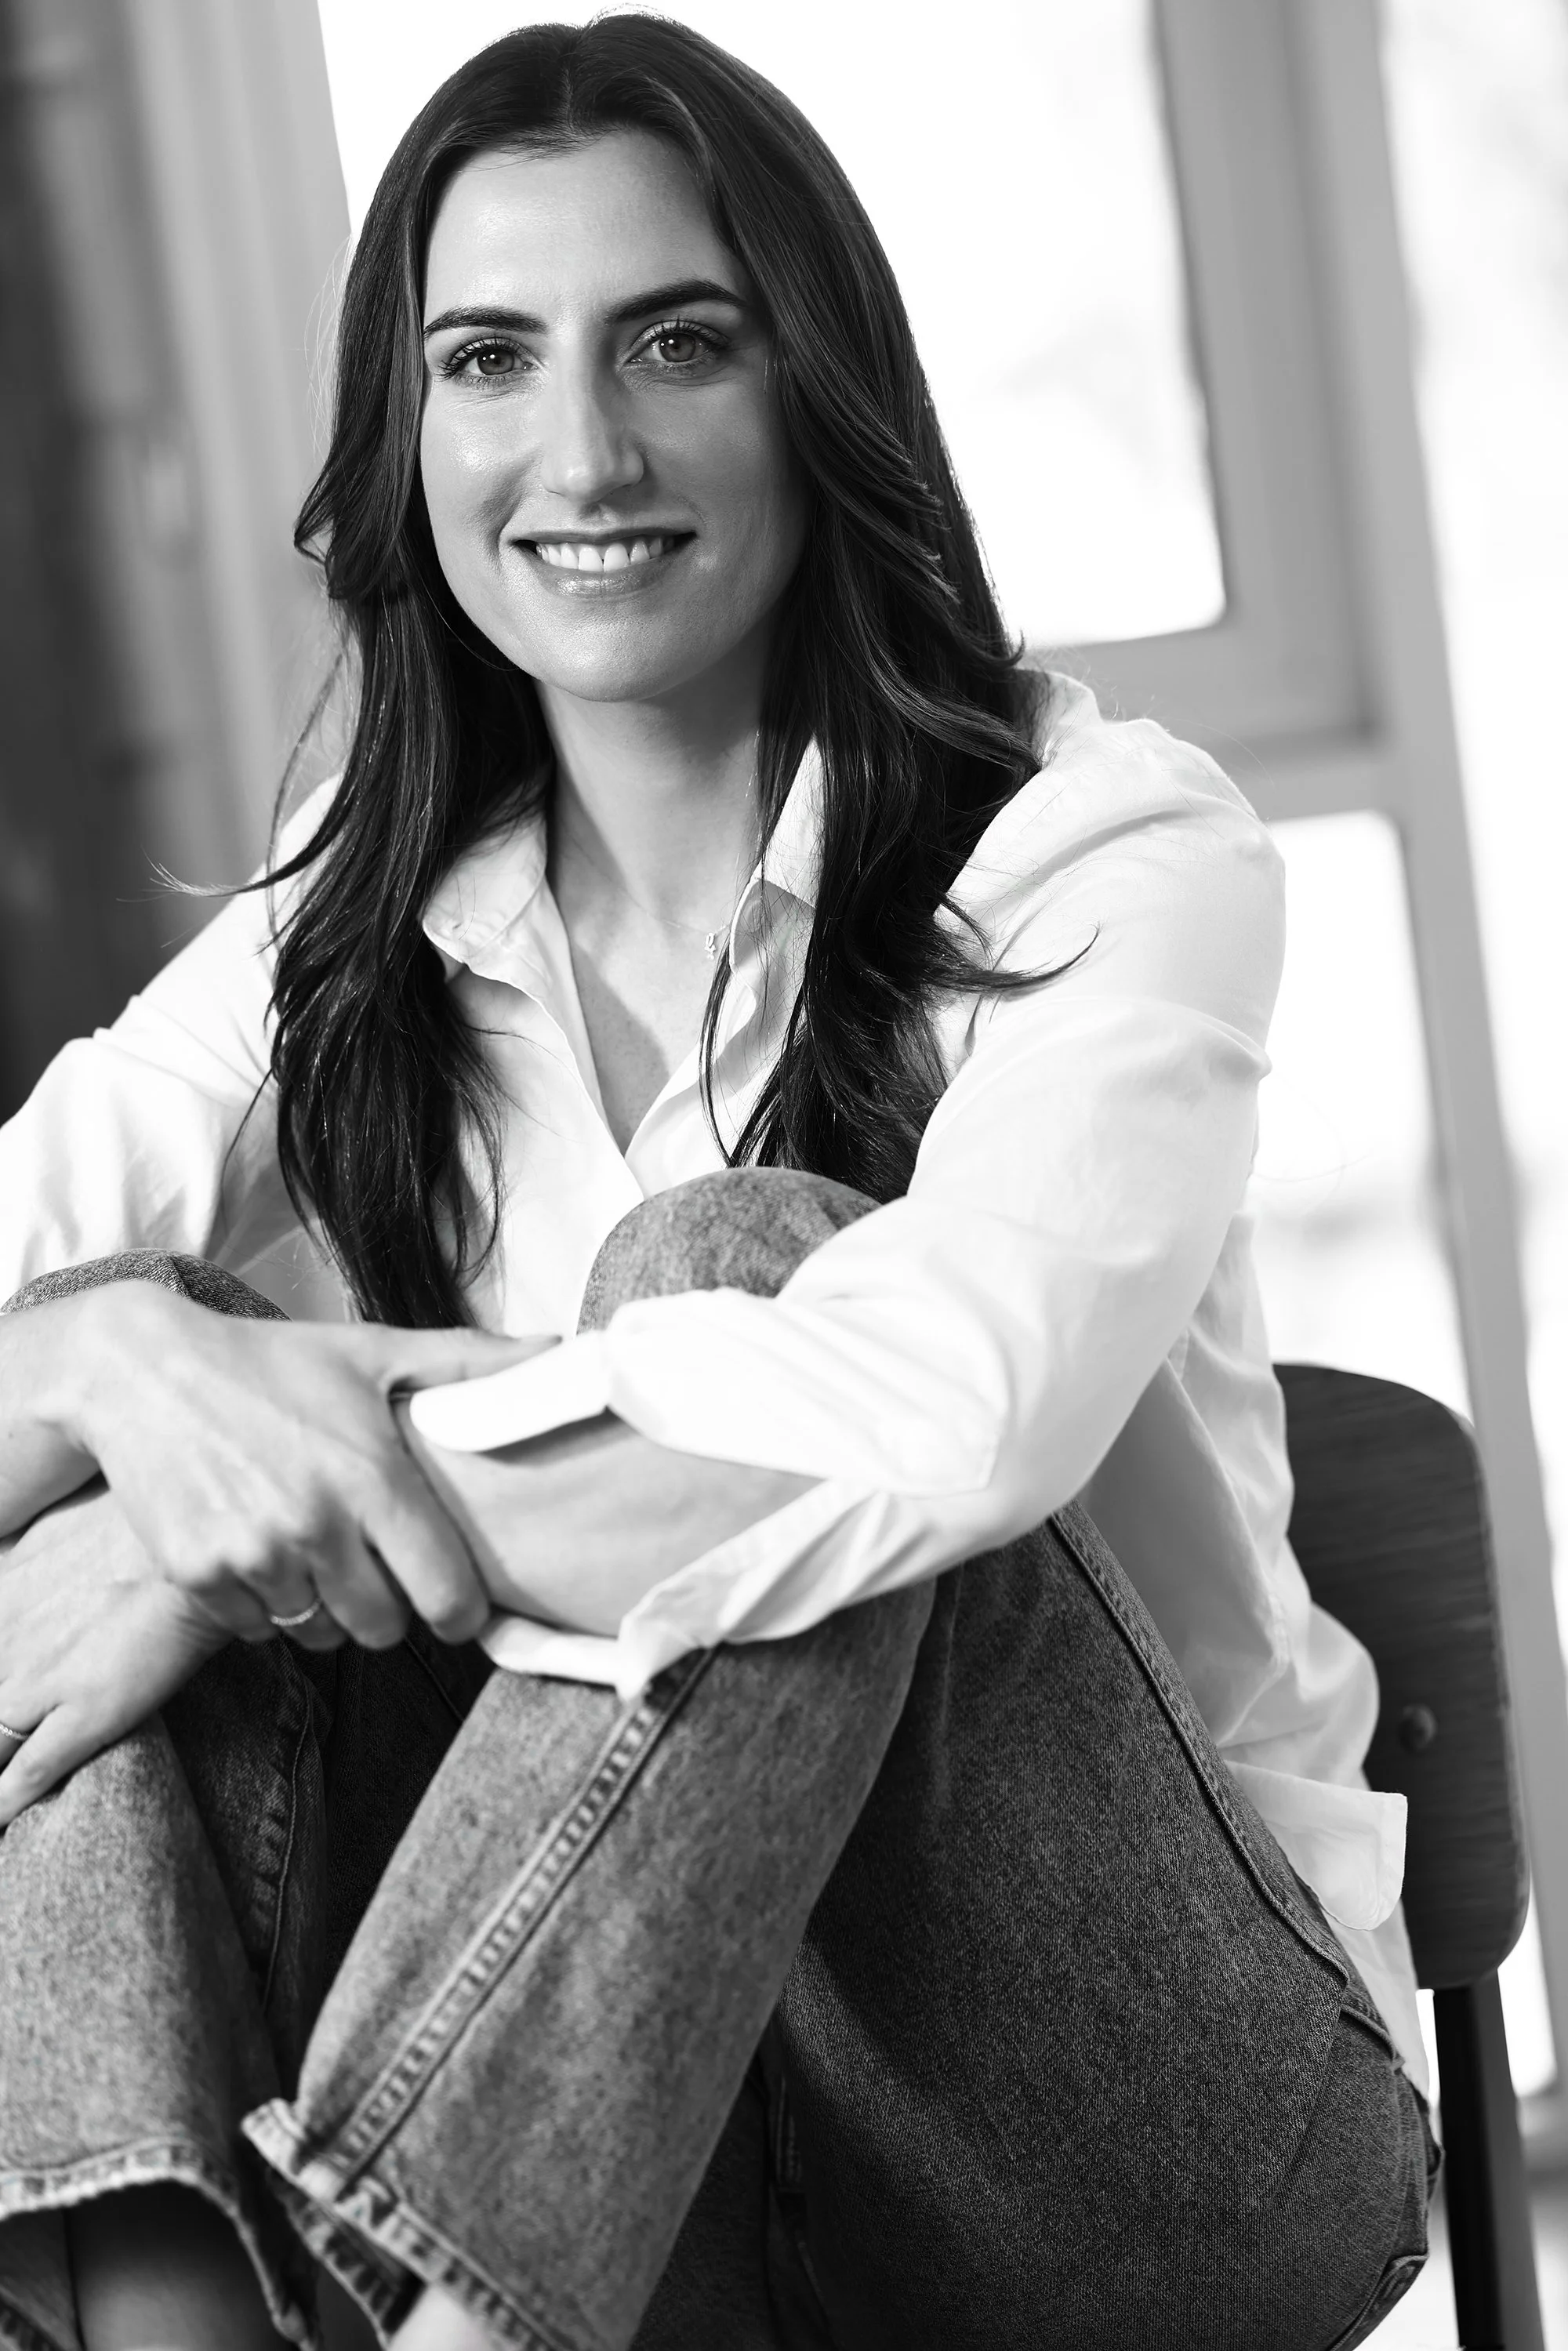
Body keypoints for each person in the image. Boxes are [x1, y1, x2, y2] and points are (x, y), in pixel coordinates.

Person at [0, 18, 1434, 2351]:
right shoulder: (347, 933)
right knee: (126, 1360)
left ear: (819, 389)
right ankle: (171, 2315)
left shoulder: (1103, 852)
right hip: (635, 2151)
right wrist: (117, 1373)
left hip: (1153, 2149)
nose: (583, 450)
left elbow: (941, 1413)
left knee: (740, 1277)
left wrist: (242, 1526)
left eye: (680, 341)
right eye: (488, 359)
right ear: (409, 435)